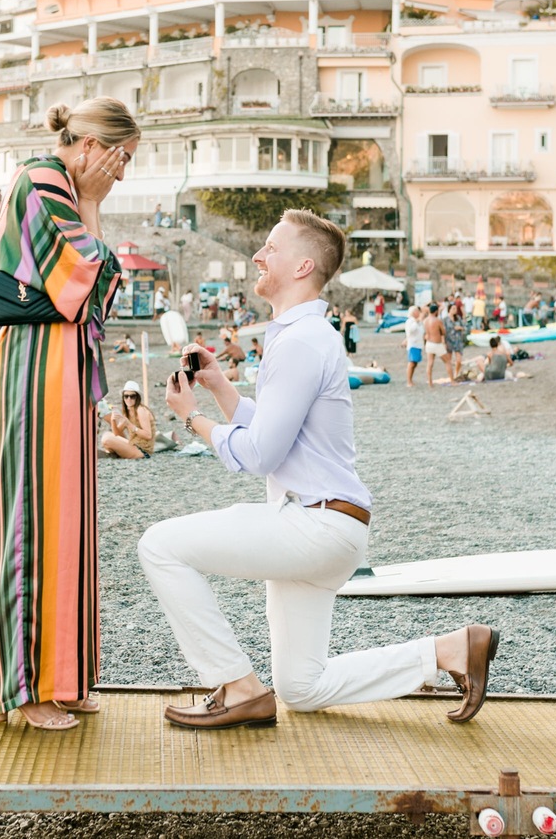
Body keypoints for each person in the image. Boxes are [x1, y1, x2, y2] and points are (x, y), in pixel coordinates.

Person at [138, 210, 498, 731]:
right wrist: (218, 388)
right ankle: (448, 651)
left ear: (303, 264)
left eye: (270, 248)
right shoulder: (304, 336)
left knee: (160, 545)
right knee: (301, 688)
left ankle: (237, 688)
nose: (258, 257)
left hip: (313, 524)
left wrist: (192, 418)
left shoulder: (301, 341)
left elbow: (260, 455)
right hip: (329, 526)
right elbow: (278, 433)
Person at [0, 96, 139, 730]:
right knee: (32, 518)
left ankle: (64, 675)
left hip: (61, 365)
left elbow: (100, 291)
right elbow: (84, 280)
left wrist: (93, 211)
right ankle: (26, 689)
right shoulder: (44, 182)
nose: (122, 174)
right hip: (36, 362)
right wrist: (96, 207)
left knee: (65, 519)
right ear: (92, 147)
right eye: (121, 158)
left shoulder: (61, 190)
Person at [101, 381, 157, 460]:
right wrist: (113, 420)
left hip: (143, 451)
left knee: (107, 439)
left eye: (132, 396)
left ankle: (114, 452)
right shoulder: (128, 411)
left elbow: (148, 435)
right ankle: (115, 452)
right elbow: (117, 434)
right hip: (134, 445)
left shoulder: (141, 410)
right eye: (126, 396)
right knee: (107, 435)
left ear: (137, 397)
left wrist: (130, 425)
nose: (129, 399)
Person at [424, 303, 455, 387]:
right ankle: (452, 381)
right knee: (447, 361)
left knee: (430, 363)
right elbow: (443, 332)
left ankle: (430, 382)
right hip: (437, 344)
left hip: (429, 343)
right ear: (436, 311)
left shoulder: (425, 320)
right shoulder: (437, 321)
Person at [444, 303, 466, 380]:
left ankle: (456, 373)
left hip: (458, 340)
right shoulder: (445, 320)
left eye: (456, 309)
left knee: (459, 360)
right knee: (448, 360)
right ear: (449, 309)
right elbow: (443, 331)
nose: (455, 310)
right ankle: (450, 375)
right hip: (449, 340)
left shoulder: (458, 318)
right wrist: (443, 342)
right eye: (453, 309)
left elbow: (464, 327)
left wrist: (460, 328)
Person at [404, 305, 425, 387]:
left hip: (418, 344)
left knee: (415, 363)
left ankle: (411, 379)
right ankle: (408, 381)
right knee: (411, 363)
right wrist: (417, 321)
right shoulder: (410, 321)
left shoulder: (418, 322)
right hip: (413, 344)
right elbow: (411, 330)